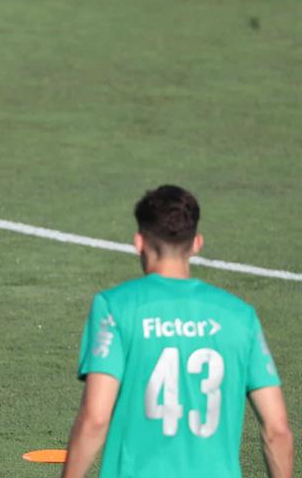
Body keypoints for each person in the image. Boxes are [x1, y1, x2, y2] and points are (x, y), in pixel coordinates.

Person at [61, 185, 293, 478]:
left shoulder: (115, 307)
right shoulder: (239, 316)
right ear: (196, 244)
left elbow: (95, 419)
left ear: (139, 242)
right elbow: (277, 430)